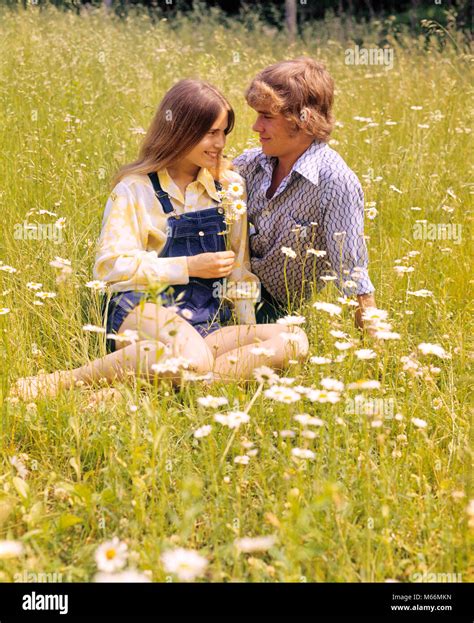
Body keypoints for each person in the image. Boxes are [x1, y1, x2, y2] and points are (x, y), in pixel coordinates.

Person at [11, 79, 309, 401]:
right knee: (192, 358)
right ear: (181, 130)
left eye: (224, 132)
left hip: (206, 320)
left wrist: (247, 332)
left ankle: (171, 387)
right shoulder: (135, 188)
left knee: (294, 340)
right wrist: (188, 265)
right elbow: (110, 267)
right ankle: (66, 381)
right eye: (211, 133)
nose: (221, 143)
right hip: (143, 310)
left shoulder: (230, 187)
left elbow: (240, 270)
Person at [232, 57, 377, 329]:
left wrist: (379, 359)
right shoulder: (250, 164)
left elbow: (354, 278)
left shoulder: (335, 182)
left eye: (267, 116)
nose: (255, 126)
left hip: (268, 310)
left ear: (303, 120)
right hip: (220, 287)